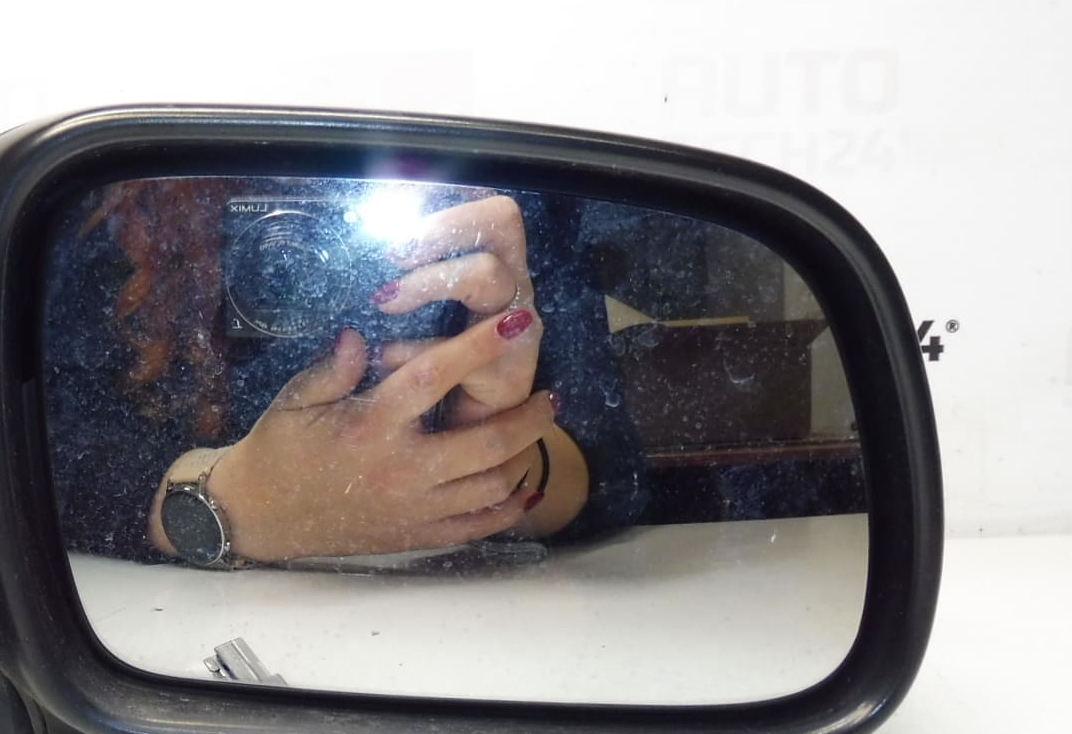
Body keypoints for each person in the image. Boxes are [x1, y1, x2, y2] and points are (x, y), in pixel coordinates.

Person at [43, 177, 648, 564]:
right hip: (176, 638)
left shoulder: (492, 190)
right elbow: (31, 453)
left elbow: (610, 469)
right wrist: (233, 499)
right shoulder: (117, 190)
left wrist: (490, 446)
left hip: (451, 631)